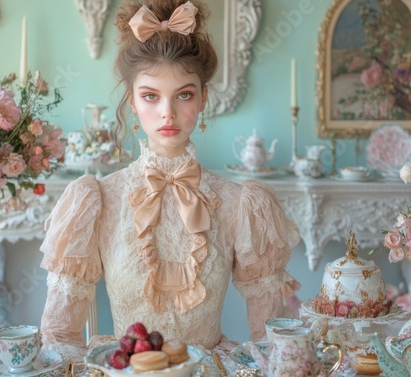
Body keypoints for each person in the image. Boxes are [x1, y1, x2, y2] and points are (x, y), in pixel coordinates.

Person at [40, 0, 300, 362]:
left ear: (203, 98)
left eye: (184, 94)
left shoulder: (241, 203)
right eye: (150, 96)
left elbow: (273, 338)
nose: (167, 112)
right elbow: (59, 336)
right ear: (132, 101)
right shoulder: (96, 199)